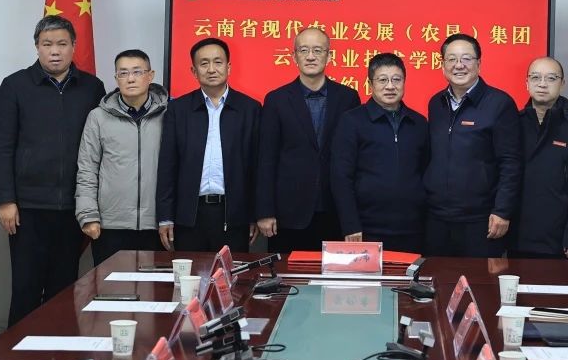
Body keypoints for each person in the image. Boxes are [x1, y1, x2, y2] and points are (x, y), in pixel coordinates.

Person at [0, 16, 106, 326]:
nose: (55, 51)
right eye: (47, 44)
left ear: (74, 47)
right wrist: (5, 200)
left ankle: (58, 349)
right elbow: (1, 147)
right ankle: (16, 350)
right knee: (26, 288)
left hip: (73, 207)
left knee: (64, 290)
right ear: (37, 47)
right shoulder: (15, 85)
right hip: (27, 207)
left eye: (62, 44)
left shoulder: (92, 87)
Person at [256, 28, 360, 251]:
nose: (310, 56)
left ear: (329, 56)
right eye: (304, 50)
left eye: (317, 50)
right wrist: (265, 211)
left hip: (335, 210)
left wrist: (353, 216)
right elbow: (266, 159)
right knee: (288, 272)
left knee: (333, 273)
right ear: (294, 56)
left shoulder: (348, 98)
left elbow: (354, 158)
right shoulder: (276, 100)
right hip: (289, 213)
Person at [156, 38, 260, 253]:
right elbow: (168, 165)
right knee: (191, 273)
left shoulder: (250, 109)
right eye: (204, 63)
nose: (211, 69)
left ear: (228, 67)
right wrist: (165, 216)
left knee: (232, 273)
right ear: (194, 71)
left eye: (218, 62)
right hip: (189, 216)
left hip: (234, 215)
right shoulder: (178, 110)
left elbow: (256, 165)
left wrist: (254, 213)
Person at [424, 33, 522, 257]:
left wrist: (502, 211)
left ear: (479, 63)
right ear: (442, 65)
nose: (459, 65)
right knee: (437, 277)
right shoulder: (436, 103)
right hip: (437, 218)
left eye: (466, 58)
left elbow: (511, 162)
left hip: (481, 220)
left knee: (480, 279)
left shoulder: (499, 104)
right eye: (452, 59)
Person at [75, 49, 167, 266]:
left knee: (155, 286)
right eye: (123, 73)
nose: (130, 78)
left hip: (157, 225)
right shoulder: (98, 117)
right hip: (110, 225)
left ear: (150, 75)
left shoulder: (169, 115)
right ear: (116, 78)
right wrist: (88, 215)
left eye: (137, 71)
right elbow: (87, 169)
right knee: (110, 285)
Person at [330, 53, 430, 252]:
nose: (390, 86)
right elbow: (341, 176)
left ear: (404, 82)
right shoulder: (352, 121)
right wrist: (350, 224)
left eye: (396, 79)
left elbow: (426, 170)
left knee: (411, 273)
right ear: (370, 84)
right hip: (366, 228)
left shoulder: (419, 123)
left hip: (413, 227)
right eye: (383, 80)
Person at [511, 57, 568, 259]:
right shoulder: (513, 124)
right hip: (517, 236)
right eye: (536, 78)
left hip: (559, 240)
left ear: (562, 83)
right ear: (527, 83)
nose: (542, 84)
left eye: (551, 78)